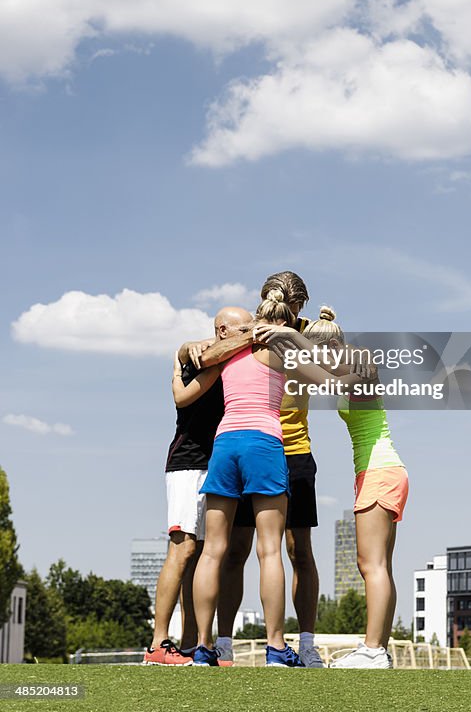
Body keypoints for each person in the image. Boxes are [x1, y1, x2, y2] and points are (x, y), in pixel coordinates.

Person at [174, 277, 365, 668]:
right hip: (265, 444)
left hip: (226, 445)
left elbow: (198, 359)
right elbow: (331, 383)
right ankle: (277, 648)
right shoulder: (284, 346)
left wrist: (192, 349)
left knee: (213, 549)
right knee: (268, 551)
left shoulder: (234, 345)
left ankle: (202, 648)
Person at [258, 309, 407, 670]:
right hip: (383, 471)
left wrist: (290, 336)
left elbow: (337, 376)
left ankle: (371, 650)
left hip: (379, 471)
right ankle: (379, 649)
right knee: (381, 566)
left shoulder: (361, 365)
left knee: (370, 565)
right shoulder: (349, 364)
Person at [143, 306, 253, 667]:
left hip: (218, 465)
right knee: (182, 549)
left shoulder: (235, 360)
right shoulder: (201, 356)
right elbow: (183, 397)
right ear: (222, 330)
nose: (249, 333)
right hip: (188, 464)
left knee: (203, 556)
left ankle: (191, 645)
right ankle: (159, 644)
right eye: (242, 328)